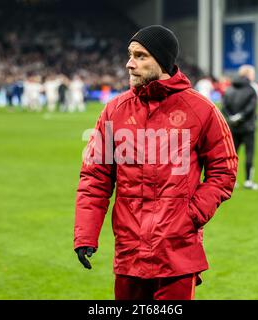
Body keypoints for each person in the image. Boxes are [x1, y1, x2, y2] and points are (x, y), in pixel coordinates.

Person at [74, 25, 238, 300]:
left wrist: (192, 215)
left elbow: (224, 171)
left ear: (162, 61)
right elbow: (95, 177)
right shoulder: (114, 111)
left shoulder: (202, 110)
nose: (130, 63)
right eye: (130, 55)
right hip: (129, 252)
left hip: (177, 253)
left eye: (140, 56)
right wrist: (85, 234)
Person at [222, 65, 258, 190]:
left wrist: (232, 117)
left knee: (232, 155)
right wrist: (240, 116)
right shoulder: (251, 89)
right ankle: (248, 181)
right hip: (248, 127)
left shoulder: (229, 89)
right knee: (249, 154)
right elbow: (251, 108)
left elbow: (224, 107)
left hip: (233, 127)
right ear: (248, 75)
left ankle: (232, 181)